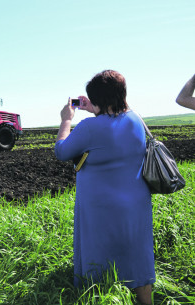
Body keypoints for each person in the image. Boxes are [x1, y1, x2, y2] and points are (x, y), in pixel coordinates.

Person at [54, 70, 155, 305]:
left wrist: (66, 120)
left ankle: (102, 299)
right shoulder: (135, 119)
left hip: (101, 208)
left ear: (98, 99)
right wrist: (97, 106)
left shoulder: (89, 127)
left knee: (99, 256)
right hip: (137, 202)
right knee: (137, 253)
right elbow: (115, 119)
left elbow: (61, 151)